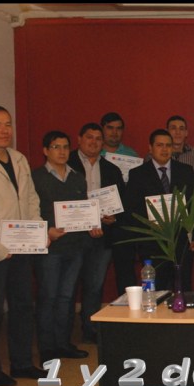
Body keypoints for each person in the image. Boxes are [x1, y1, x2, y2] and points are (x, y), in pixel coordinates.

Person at [0, 105, 46, 386]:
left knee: (23, 305)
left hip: (22, 245)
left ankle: (21, 363)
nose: (5, 130)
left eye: (8, 124)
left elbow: (30, 199)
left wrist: (36, 230)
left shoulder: (18, 159)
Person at [32, 131, 93, 364]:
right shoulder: (36, 177)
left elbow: (84, 209)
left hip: (75, 247)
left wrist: (92, 223)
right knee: (48, 296)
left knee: (67, 297)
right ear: (45, 151)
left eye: (65, 147)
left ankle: (63, 343)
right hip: (49, 247)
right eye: (56, 147)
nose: (62, 151)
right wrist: (47, 229)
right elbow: (30, 210)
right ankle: (47, 348)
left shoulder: (77, 177)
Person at [67, 122, 126, 344]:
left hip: (103, 236)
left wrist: (114, 217)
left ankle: (90, 329)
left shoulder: (111, 169)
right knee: (69, 286)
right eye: (89, 137)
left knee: (94, 285)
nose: (94, 142)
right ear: (79, 139)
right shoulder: (67, 163)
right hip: (73, 237)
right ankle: (64, 334)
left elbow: (121, 203)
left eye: (98, 138)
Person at [123, 129, 194, 290]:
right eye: (160, 145)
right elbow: (133, 209)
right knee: (156, 290)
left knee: (182, 287)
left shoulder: (185, 170)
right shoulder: (138, 174)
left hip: (181, 241)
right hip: (152, 242)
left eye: (168, 145)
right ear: (150, 148)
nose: (164, 149)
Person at [101, 111, 139, 294]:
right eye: (110, 128)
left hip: (123, 221)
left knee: (125, 270)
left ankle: (127, 305)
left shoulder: (131, 155)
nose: (114, 133)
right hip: (97, 220)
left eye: (118, 129)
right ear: (103, 129)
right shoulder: (94, 152)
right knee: (95, 272)